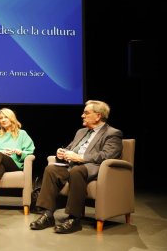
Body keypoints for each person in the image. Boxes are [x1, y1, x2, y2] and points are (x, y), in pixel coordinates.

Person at [29, 100, 123, 234]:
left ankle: (74, 219)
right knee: (51, 169)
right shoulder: (81, 131)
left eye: (86, 113)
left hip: (92, 167)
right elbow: (70, 148)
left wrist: (81, 158)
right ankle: (48, 215)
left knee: (77, 171)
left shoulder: (113, 133)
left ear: (98, 116)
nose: (82, 116)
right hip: (72, 165)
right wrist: (61, 153)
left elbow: (107, 155)